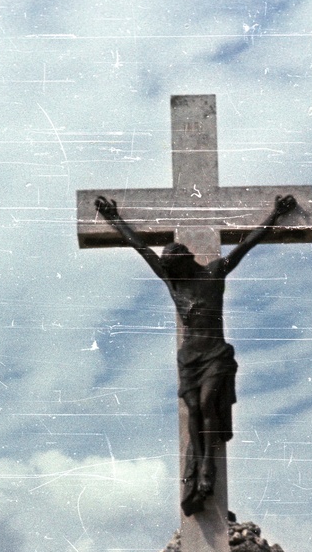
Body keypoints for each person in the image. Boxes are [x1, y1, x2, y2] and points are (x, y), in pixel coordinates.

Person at [95, 193, 298, 516]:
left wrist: (275, 214)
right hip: (189, 357)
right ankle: (201, 465)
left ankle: (206, 467)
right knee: (193, 409)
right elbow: (141, 248)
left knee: (206, 405)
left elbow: (246, 245)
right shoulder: (174, 283)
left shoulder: (214, 274)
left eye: (172, 266)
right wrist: (114, 219)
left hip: (215, 353)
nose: (167, 270)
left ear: (185, 261)